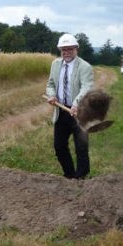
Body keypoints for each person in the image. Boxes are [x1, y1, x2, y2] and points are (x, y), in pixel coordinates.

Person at [45, 33, 94, 179]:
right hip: (61, 111)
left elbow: (87, 88)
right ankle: (69, 174)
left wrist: (76, 104)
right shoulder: (55, 64)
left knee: (81, 147)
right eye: (63, 49)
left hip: (80, 113)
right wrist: (51, 95)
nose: (66, 52)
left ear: (76, 49)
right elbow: (50, 84)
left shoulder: (85, 67)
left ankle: (81, 176)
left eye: (70, 49)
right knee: (59, 146)